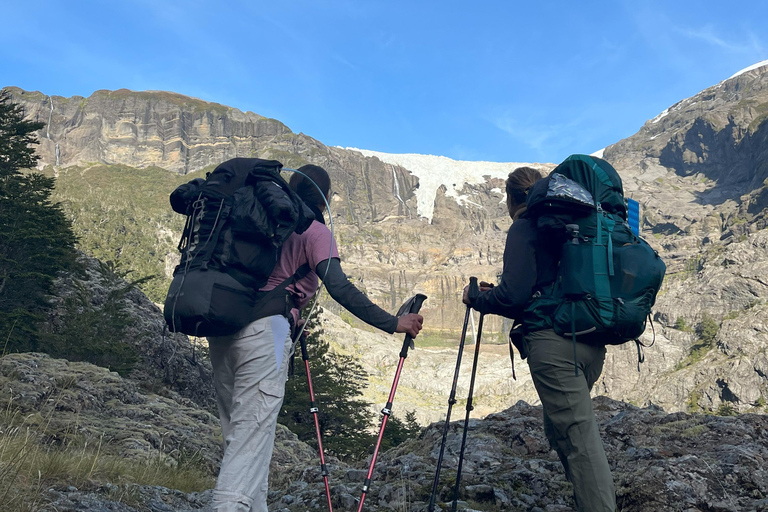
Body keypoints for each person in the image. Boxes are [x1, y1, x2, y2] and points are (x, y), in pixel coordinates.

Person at [206, 164, 424, 512]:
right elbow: (338, 286)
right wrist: (393, 323)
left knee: (241, 434)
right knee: (251, 436)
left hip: (223, 328)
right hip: (267, 333)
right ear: (325, 199)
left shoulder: (261, 220)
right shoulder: (314, 229)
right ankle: (227, 505)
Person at [462, 166, 616, 512]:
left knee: (579, 443)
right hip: (591, 340)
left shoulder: (525, 224)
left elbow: (514, 296)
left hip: (553, 345)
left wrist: (478, 300)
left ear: (511, 198)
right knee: (561, 429)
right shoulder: (576, 221)